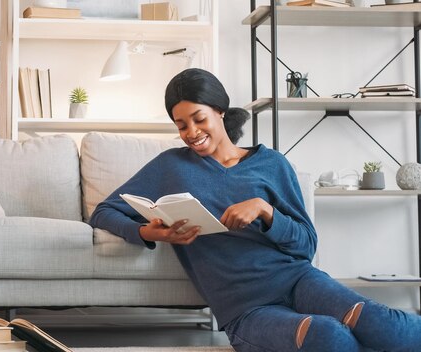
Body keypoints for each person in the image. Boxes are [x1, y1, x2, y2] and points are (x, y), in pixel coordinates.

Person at [89, 68, 421, 352]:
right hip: (246, 309)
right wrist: (148, 232)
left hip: (299, 280)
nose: (191, 133)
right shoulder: (170, 166)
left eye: (198, 119)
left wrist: (266, 212)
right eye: (181, 125)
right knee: (331, 337)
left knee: (382, 325)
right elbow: (104, 211)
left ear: (220, 111)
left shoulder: (271, 164)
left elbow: (306, 245)